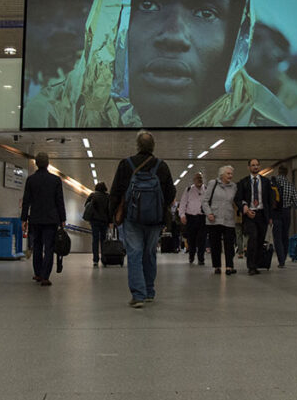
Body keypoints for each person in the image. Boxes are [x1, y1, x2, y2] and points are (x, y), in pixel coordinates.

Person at [22, 0, 296, 128]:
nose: (175, 36)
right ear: (110, 20)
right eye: (148, 4)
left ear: (235, 36)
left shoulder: (273, 121)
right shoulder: (48, 115)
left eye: (205, 13)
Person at [109, 131, 174, 307]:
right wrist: (160, 210)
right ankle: (149, 291)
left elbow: (115, 191)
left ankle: (138, 295)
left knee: (135, 253)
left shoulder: (126, 164)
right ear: (153, 147)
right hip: (154, 220)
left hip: (132, 218)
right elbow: (170, 193)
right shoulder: (162, 166)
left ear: (137, 146)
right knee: (149, 253)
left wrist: (113, 215)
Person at [20, 152, 66, 286]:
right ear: (48, 163)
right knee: (49, 248)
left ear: (36, 163)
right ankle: (45, 276)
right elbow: (59, 201)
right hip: (51, 219)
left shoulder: (30, 180)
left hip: (35, 219)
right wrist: (62, 218)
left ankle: (38, 273)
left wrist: (24, 219)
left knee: (37, 246)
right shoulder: (55, 180)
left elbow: (26, 201)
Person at [234, 158, 272, 275]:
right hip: (250, 214)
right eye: (253, 165)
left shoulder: (265, 182)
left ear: (259, 167)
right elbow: (238, 199)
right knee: (253, 237)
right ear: (249, 168)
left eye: (257, 165)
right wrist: (244, 207)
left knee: (260, 240)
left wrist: (270, 216)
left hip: (262, 214)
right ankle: (250, 266)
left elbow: (270, 200)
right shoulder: (243, 182)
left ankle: (256, 264)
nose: (255, 167)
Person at [202, 165, 238, 275]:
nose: (230, 176)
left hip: (228, 219)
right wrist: (209, 213)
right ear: (222, 175)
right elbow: (205, 201)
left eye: (231, 174)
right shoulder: (213, 184)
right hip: (214, 219)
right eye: (228, 174)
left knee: (229, 244)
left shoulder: (234, 187)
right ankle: (217, 266)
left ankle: (229, 266)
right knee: (215, 244)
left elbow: (237, 201)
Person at [270, 164, 297, 268]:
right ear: (287, 173)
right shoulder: (290, 185)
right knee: (285, 236)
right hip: (287, 213)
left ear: (278, 172)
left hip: (276, 212)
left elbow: (269, 199)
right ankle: (284, 257)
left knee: (277, 236)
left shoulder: (274, 183)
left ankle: (281, 260)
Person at [177, 172, 207, 265]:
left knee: (202, 239)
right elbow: (182, 203)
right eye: (197, 178)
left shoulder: (206, 189)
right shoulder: (188, 190)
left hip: (202, 217)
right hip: (191, 218)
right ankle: (191, 255)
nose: (199, 179)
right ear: (194, 180)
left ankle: (201, 258)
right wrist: (182, 215)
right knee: (191, 239)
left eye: (201, 178)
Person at [83, 182, 111, 267]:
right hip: (104, 221)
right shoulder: (107, 196)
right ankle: (104, 258)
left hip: (94, 221)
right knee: (103, 240)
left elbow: (86, 205)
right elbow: (110, 210)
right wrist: (110, 222)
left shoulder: (93, 195)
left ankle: (95, 260)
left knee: (95, 240)